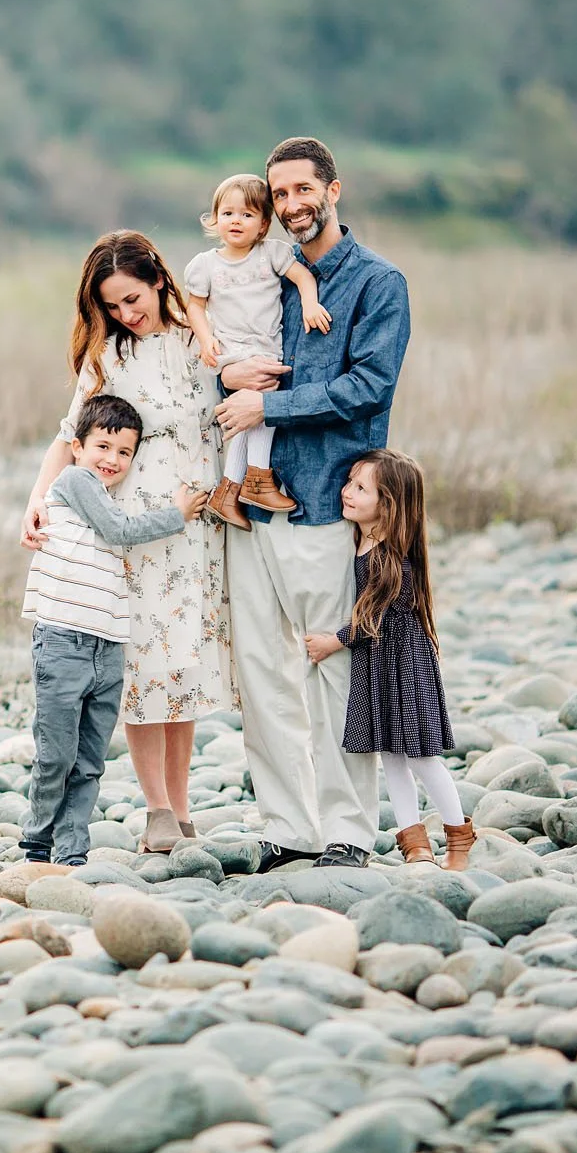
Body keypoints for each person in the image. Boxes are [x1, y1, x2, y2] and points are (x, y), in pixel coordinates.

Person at [215, 137, 411, 871]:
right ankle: (287, 827)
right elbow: (225, 366)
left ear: (335, 190)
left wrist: (269, 406)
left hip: (327, 500)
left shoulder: (378, 283)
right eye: (281, 194)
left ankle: (347, 832)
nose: (292, 205)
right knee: (263, 673)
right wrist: (231, 372)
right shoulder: (260, 275)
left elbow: (369, 388)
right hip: (250, 508)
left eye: (304, 190)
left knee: (332, 673)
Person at [22, 230, 235, 856]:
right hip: (135, 533)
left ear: (161, 282)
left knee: (182, 666)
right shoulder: (107, 358)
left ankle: (185, 805)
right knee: (142, 664)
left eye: (132, 298)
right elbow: (69, 438)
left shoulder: (202, 340)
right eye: (112, 305)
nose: (125, 314)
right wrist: (38, 497)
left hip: (198, 528)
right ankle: (158, 810)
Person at [19, 393, 208, 865]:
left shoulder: (103, 493)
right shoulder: (75, 481)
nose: (112, 460)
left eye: (124, 452)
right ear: (77, 447)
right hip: (63, 641)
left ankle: (72, 848)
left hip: (106, 648)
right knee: (56, 753)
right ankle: (37, 838)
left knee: (89, 761)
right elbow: (120, 530)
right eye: (103, 446)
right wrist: (177, 515)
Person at [304, 451, 473, 870]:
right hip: (379, 667)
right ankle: (414, 843)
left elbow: (375, 617)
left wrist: (332, 642)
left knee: (420, 757)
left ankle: (459, 837)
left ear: (389, 505)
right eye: (350, 482)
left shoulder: (391, 556)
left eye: (360, 489)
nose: (346, 492)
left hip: (403, 664)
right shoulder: (359, 536)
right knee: (391, 757)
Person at [182, 173, 329, 530]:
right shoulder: (206, 265)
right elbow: (195, 307)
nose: (236, 221)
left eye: (247, 215)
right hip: (233, 352)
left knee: (254, 416)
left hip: (265, 347)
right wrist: (205, 339)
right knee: (260, 407)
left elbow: (305, 278)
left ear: (264, 224)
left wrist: (310, 304)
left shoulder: (271, 254)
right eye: (228, 213)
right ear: (215, 219)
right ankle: (257, 479)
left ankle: (230, 492)